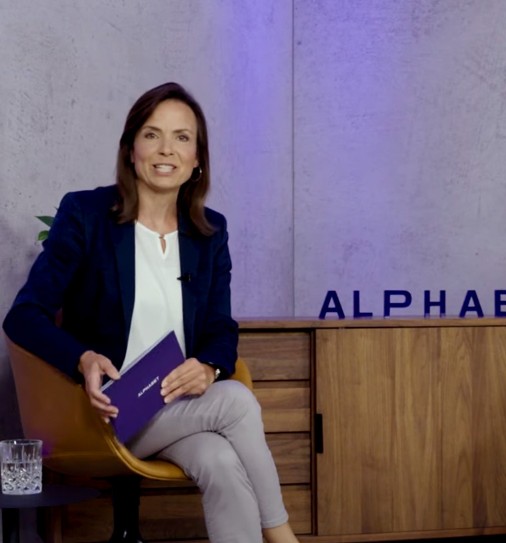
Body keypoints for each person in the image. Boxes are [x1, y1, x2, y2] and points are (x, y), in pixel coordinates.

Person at [3, 82, 300, 543]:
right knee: (238, 402)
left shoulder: (209, 232)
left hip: (181, 408)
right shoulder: (86, 213)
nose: (167, 150)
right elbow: (23, 316)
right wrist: (81, 358)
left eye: (182, 138)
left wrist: (208, 365)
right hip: (105, 412)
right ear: (131, 149)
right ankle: (283, 537)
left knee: (220, 460)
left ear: (198, 158)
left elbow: (221, 326)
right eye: (152, 134)